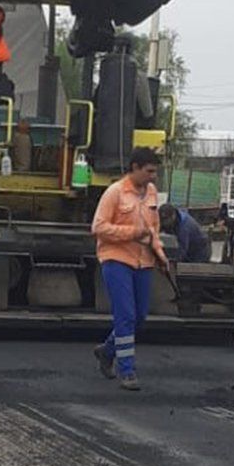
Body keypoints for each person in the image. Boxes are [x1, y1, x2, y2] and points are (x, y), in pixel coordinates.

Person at [91, 147, 168, 391]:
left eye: (155, 171)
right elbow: (99, 227)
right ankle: (127, 371)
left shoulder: (152, 193)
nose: (153, 176)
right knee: (125, 316)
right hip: (116, 259)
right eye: (149, 171)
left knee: (139, 316)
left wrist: (161, 256)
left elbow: (153, 229)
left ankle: (107, 350)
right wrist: (132, 233)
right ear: (135, 168)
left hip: (143, 261)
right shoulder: (115, 193)